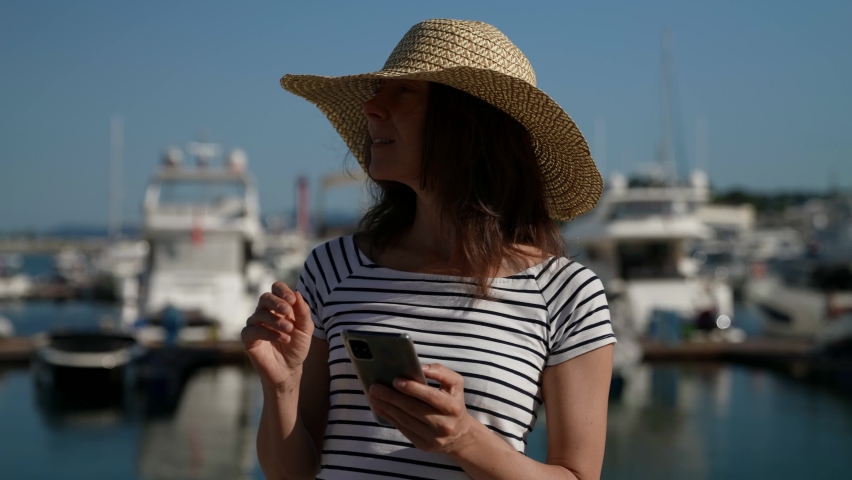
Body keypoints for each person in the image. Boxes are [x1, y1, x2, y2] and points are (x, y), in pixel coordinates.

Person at [242, 18, 616, 480]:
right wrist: (281, 386)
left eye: (404, 93)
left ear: (471, 125)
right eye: (380, 91)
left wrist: (464, 439)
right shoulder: (332, 269)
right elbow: (292, 475)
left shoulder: (565, 293)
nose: (372, 106)